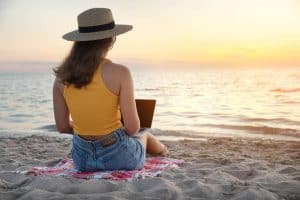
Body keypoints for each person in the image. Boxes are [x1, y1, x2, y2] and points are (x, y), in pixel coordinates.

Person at [52, 8, 168, 171]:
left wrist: (89, 131)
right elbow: (132, 127)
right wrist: (110, 132)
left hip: (82, 161)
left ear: (79, 41)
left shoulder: (61, 77)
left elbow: (63, 127)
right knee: (144, 135)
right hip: (119, 157)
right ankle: (164, 150)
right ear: (111, 39)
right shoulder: (121, 72)